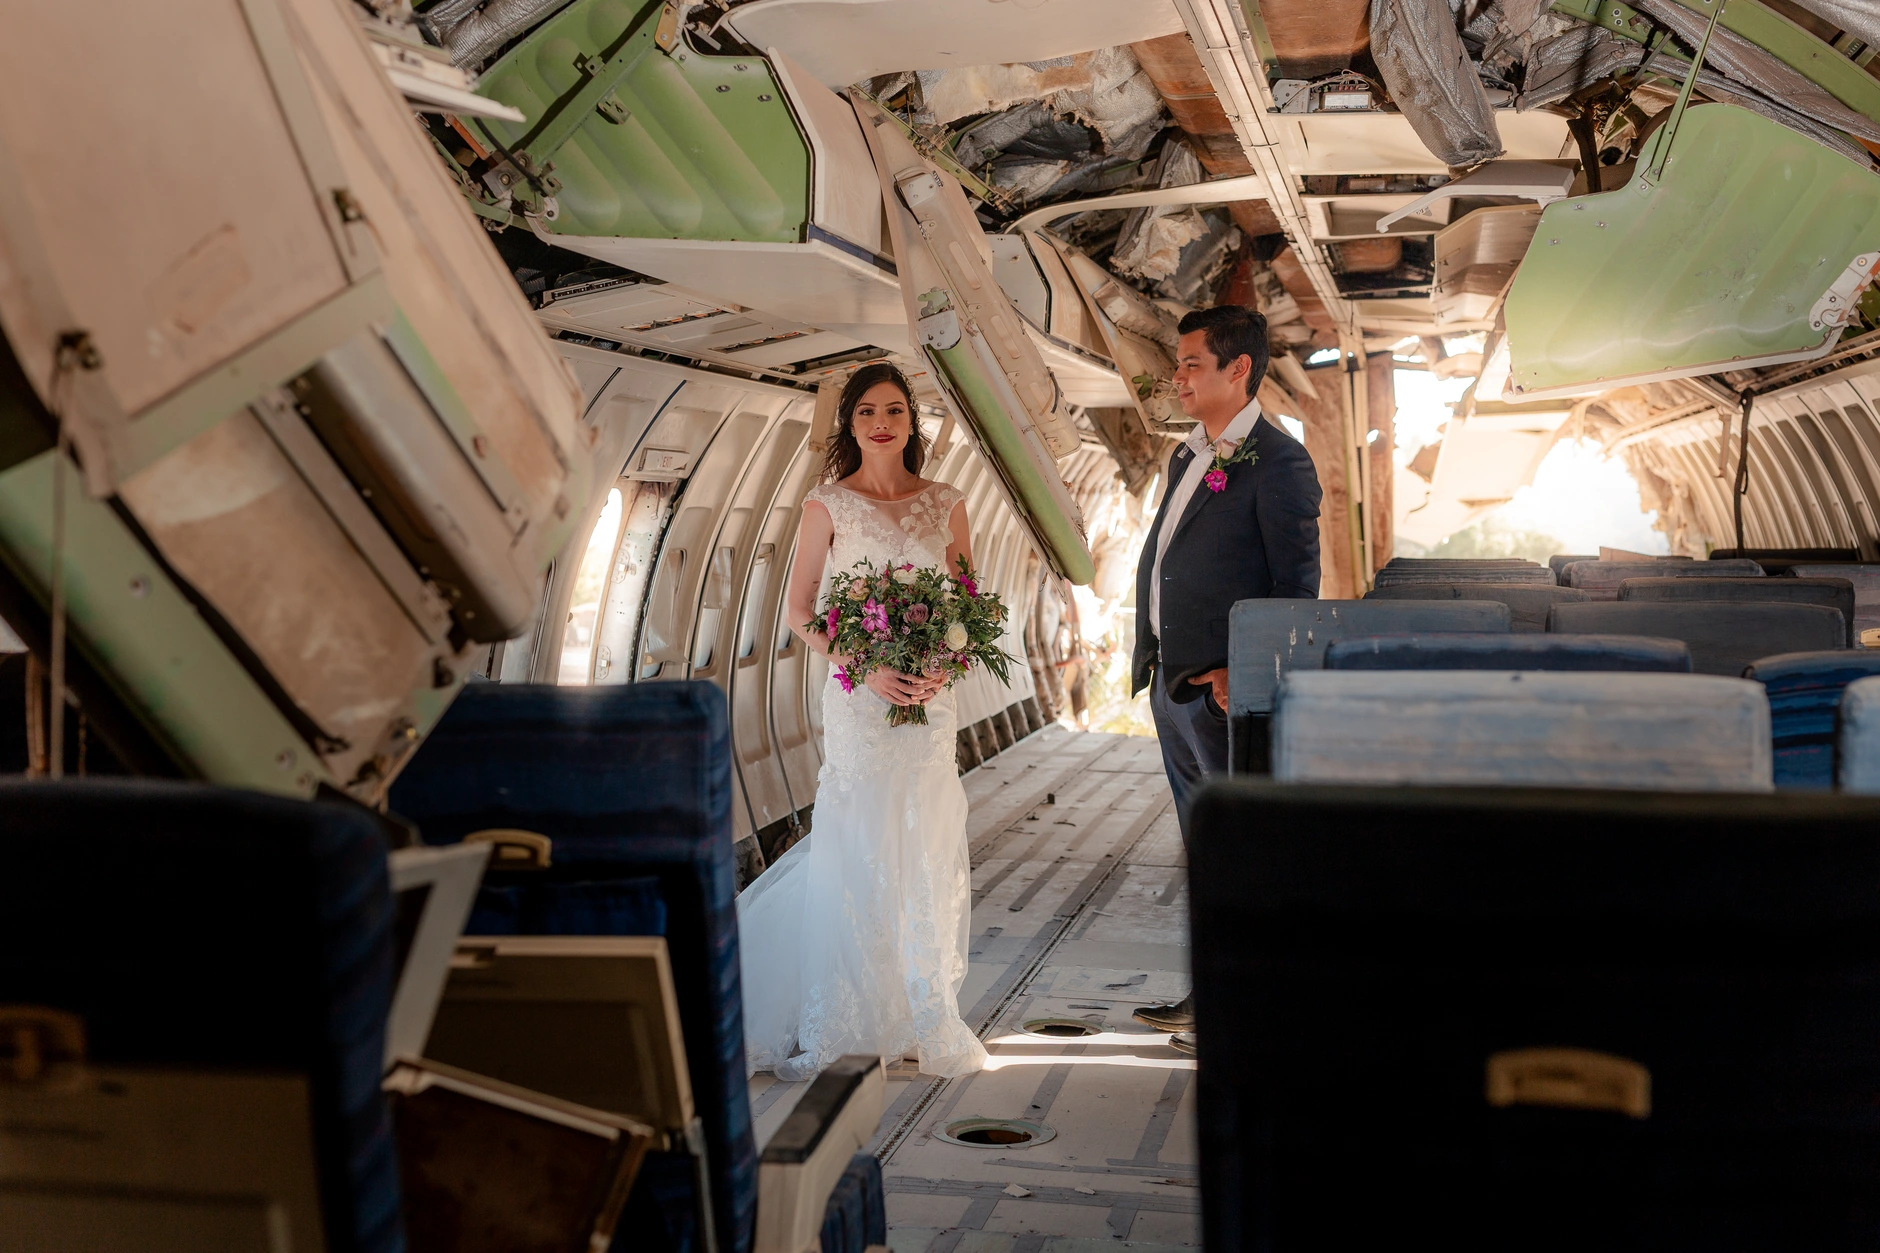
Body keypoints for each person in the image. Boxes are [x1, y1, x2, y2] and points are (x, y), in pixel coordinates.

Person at [736, 362, 989, 1083]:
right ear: (850, 423)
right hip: (857, 697)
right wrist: (864, 665)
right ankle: (847, 1013)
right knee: (859, 838)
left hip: (930, 698)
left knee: (927, 834)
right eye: (868, 411)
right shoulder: (827, 506)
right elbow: (800, 609)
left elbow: (968, 607)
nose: (882, 422)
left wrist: (948, 664)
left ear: (913, 422)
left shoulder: (947, 503)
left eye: (895, 410)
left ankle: (921, 1009)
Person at [1128, 306, 1322, 1053]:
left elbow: (1296, 591)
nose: (1176, 377)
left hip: (1219, 694)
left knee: (1239, 850)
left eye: (1190, 364)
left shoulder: (1279, 463)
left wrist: (1245, 676)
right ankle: (1213, 993)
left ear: (1238, 369)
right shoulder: (1187, 456)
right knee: (1203, 846)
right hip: (1170, 686)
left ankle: (1251, 1004)